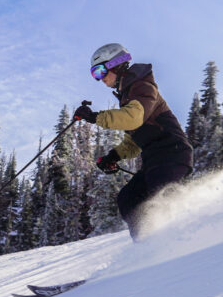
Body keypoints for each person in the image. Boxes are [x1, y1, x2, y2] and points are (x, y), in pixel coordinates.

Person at [73, 43, 193, 240]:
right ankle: (146, 246)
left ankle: (178, 242)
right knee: (129, 199)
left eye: (101, 71)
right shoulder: (128, 95)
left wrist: (94, 117)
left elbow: (133, 118)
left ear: (116, 64)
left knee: (160, 198)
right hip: (154, 159)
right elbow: (133, 141)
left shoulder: (142, 85)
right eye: (95, 75)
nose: (100, 79)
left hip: (172, 153)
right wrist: (113, 157)